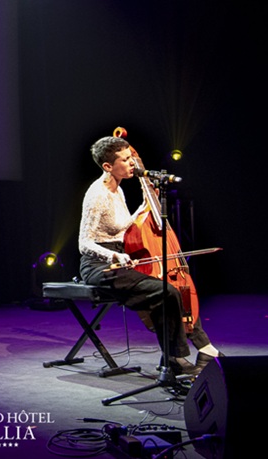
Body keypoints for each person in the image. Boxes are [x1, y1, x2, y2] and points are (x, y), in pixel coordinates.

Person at [78, 135, 224, 377]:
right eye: (125, 160)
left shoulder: (118, 190)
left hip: (123, 259)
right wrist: (114, 257)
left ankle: (185, 354)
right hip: (99, 266)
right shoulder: (97, 195)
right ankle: (175, 358)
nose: (132, 163)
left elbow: (124, 226)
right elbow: (84, 244)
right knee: (166, 292)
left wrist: (147, 203)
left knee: (172, 289)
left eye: (131, 157)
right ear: (107, 166)